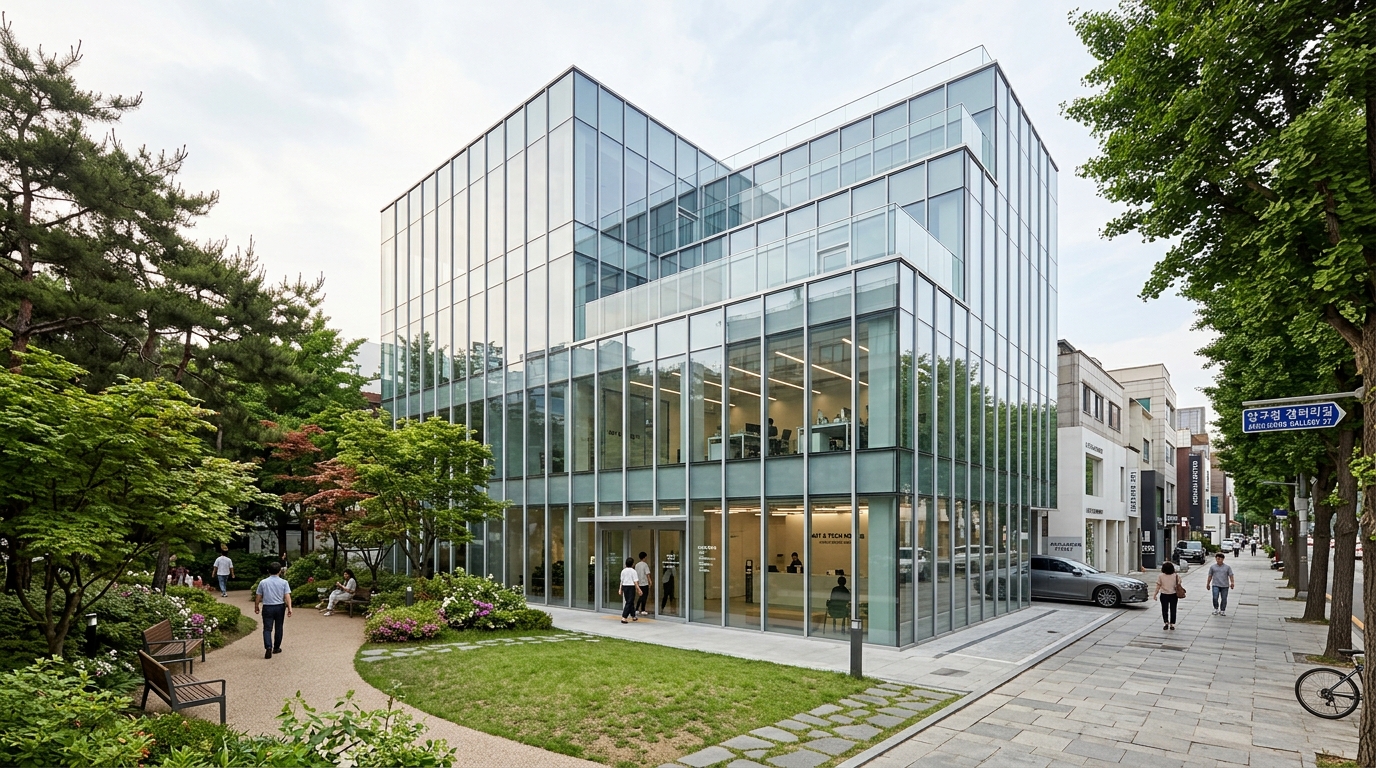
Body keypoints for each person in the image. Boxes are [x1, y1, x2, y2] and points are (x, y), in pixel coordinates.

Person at [254, 562, 293, 659]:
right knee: (279, 627)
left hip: (267, 606)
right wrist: (289, 607)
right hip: (279, 606)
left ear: (268, 571)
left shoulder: (263, 582)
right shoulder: (284, 582)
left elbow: (258, 595)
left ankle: (268, 646)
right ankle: (276, 647)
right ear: (280, 571)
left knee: (267, 628)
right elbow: (287, 596)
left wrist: (256, 605)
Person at [1153, 560, 1181, 630]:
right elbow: (1179, 583)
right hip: (1173, 594)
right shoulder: (1176, 576)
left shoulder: (1161, 576)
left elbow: (1158, 586)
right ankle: (1172, 624)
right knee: (1173, 609)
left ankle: (1166, 622)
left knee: (1164, 609)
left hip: (1164, 594)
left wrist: (1155, 594)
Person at [1206, 552, 1236, 616]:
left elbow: (1231, 575)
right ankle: (1216, 608)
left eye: (1220, 559)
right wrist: (1208, 583)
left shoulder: (1227, 567)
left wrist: (1232, 582)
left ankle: (1222, 610)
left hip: (1224, 585)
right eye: (1217, 559)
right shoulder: (1212, 567)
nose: (1218, 560)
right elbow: (1210, 576)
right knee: (1215, 597)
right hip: (1215, 584)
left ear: (1223, 559)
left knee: (1224, 598)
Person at [619, 557, 641, 624]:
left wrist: (620, 589)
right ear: (633, 564)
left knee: (630, 602)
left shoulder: (623, 571)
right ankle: (624, 617)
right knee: (629, 602)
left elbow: (621, 581)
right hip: (631, 587)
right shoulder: (633, 571)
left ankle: (633, 616)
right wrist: (639, 589)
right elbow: (635, 582)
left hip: (625, 587)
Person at [634, 552, 653, 616]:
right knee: (644, 596)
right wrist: (650, 581)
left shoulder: (637, 565)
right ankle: (642, 609)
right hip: (644, 583)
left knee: (641, 596)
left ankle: (637, 609)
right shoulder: (645, 565)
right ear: (644, 557)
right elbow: (647, 574)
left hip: (639, 583)